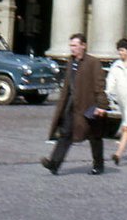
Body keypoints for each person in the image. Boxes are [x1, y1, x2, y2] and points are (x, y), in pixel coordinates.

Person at [43, 33, 108, 175]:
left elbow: (99, 85)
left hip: (89, 106)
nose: (72, 48)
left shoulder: (93, 62)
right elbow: (67, 85)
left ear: (83, 46)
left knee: (94, 137)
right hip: (72, 105)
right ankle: (54, 164)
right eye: (71, 45)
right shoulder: (71, 62)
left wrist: (101, 105)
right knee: (65, 134)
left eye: (74, 45)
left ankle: (99, 164)